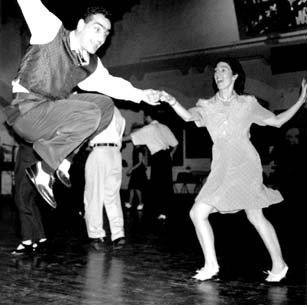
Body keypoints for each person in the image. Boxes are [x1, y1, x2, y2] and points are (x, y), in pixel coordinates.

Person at [160, 57, 307, 282]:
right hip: (221, 167)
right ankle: (211, 265)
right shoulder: (207, 106)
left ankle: (279, 265)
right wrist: (172, 101)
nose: (218, 73)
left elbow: (276, 121)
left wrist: (301, 100)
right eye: (216, 70)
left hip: (245, 165)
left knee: (255, 214)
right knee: (197, 213)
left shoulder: (248, 103)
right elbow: (189, 116)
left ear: (235, 76)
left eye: (223, 69)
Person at [4, 0, 161, 209]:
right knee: (90, 113)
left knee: (105, 107)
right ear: (80, 25)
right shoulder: (50, 29)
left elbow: (113, 85)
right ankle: (44, 170)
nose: (101, 39)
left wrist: (142, 94)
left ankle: (65, 159)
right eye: (96, 29)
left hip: (53, 112)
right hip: (27, 113)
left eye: (106, 34)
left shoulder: (91, 63)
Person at [84, 107, 126, 249]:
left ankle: (96, 235)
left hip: (100, 152)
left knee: (93, 196)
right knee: (112, 197)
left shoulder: (96, 107)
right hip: (115, 154)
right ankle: (118, 234)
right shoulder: (117, 112)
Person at [124, 111, 178, 221]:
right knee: (166, 185)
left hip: (158, 157)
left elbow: (131, 137)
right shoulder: (164, 127)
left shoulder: (149, 128)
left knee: (158, 184)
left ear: (149, 116)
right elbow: (176, 144)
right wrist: (170, 154)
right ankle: (164, 212)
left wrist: (115, 139)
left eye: (145, 116)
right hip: (166, 157)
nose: (144, 118)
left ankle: (160, 211)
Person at [12, 140, 48, 255]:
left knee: (21, 199)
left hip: (28, 156)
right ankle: (39, 237)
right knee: (29, 200)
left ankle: (27, 241)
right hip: (35, 155)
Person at [125, 144, 148, 211]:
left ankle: (141, 203)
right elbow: (134, 162)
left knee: (137, 188)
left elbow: (140, 162)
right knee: (132, 187)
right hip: (135, 170)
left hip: (139, 171)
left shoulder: (140, 150)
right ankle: (130, 203)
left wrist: (131, 169)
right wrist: (130, 169)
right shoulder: (134, 150)